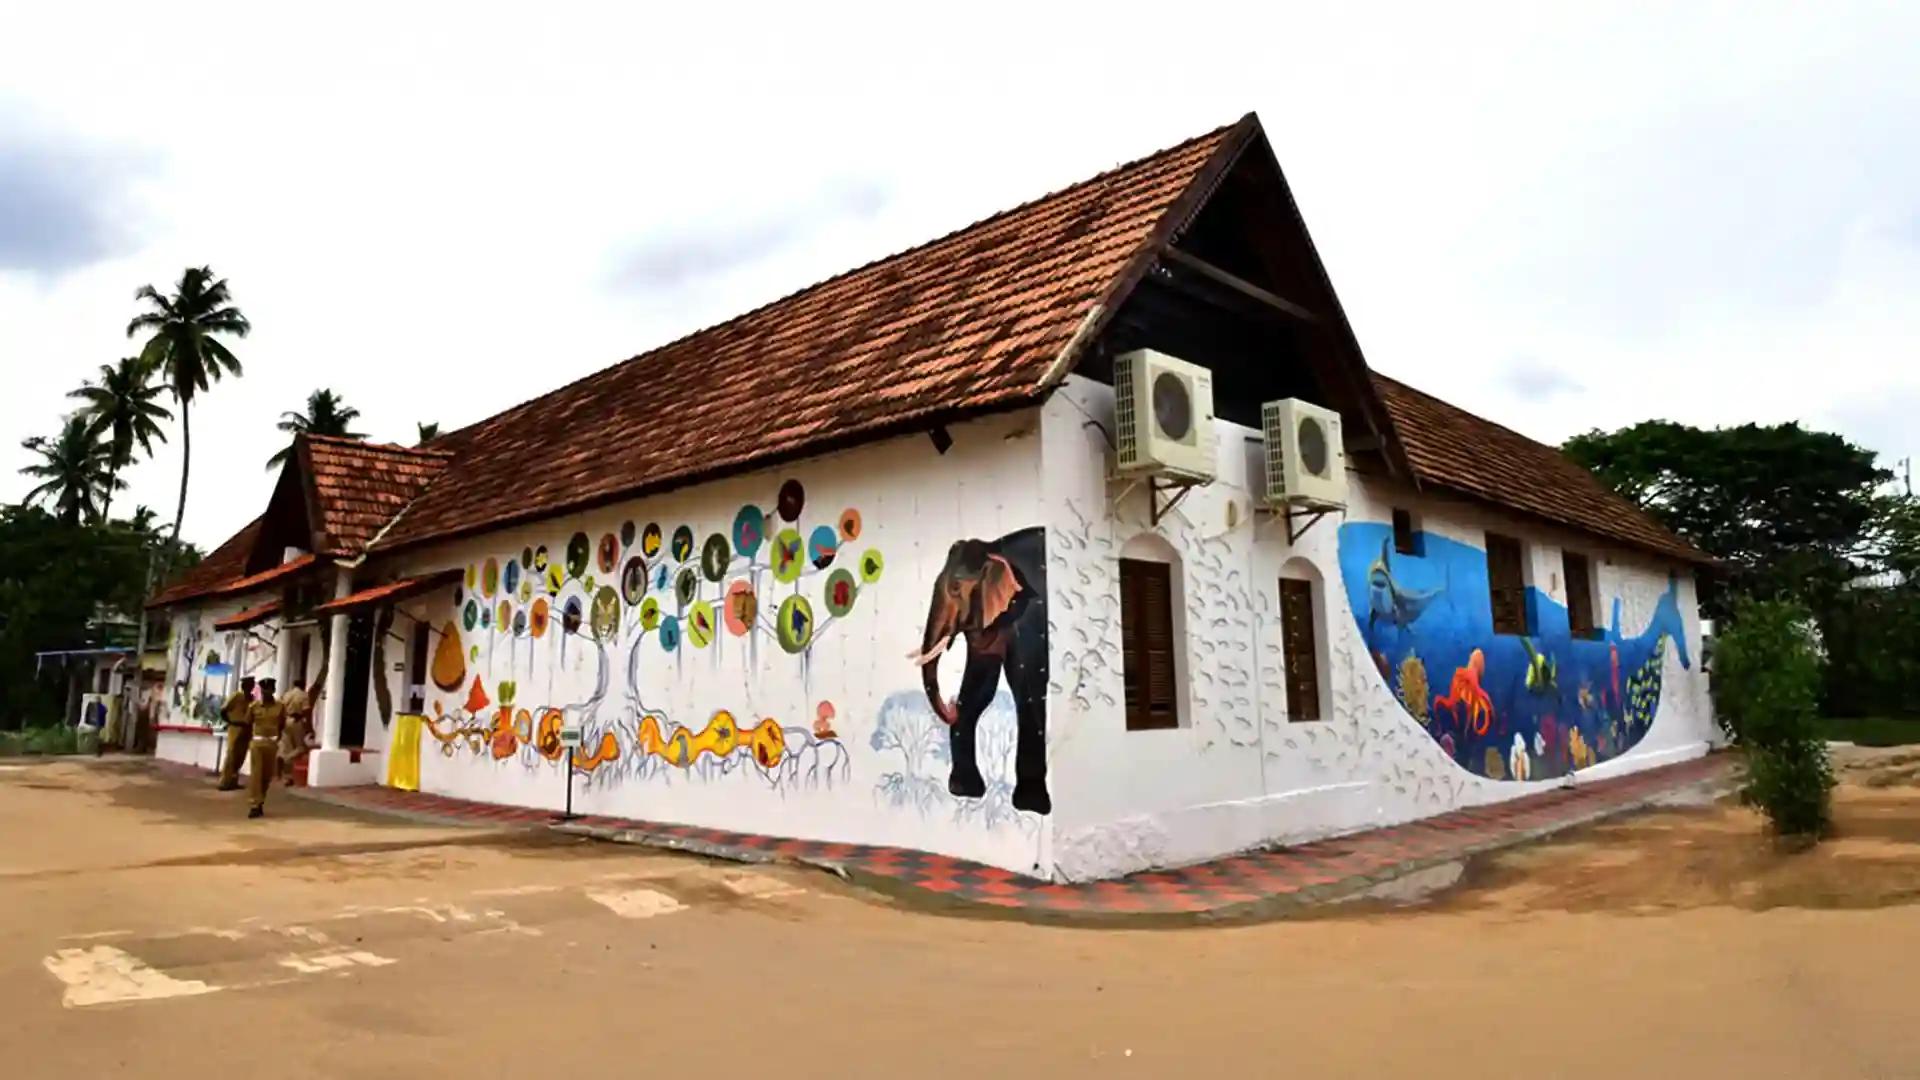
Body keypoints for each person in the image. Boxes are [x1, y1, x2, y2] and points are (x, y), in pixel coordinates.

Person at [245, 678, 287, 819]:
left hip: (271, 743)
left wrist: (277, 739)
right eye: (264, 690)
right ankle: (254, 804)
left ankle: (260, 800)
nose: (266, 692)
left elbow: (282, 724)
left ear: (273, 690)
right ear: (261, 691)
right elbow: (247, 723)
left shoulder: (280, 707)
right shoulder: (254, 707)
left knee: (266, 775)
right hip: (257, 743)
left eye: (269, 690)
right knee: (256, 774)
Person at [216, 676, 257, 791]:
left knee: (241, 756)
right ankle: (224, 781)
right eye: (248, 684)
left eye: (251, 684)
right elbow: (223, 710)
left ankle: (233, 781)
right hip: (235, 727)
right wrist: (229, 721)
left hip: (246, 728)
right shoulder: (237, 696)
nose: (250, 686)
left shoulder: (252, 699)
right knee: (231, 754)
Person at [277, 678, 316, 785]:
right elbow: (306, 711)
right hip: (297, 721)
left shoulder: (286, 694)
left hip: (286, 721)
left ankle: (287, 776)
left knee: (287, 747)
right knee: (301, 748)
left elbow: (280, 709)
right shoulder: (303, 695)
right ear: (303, 685)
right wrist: (310, 728)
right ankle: (285, 758)